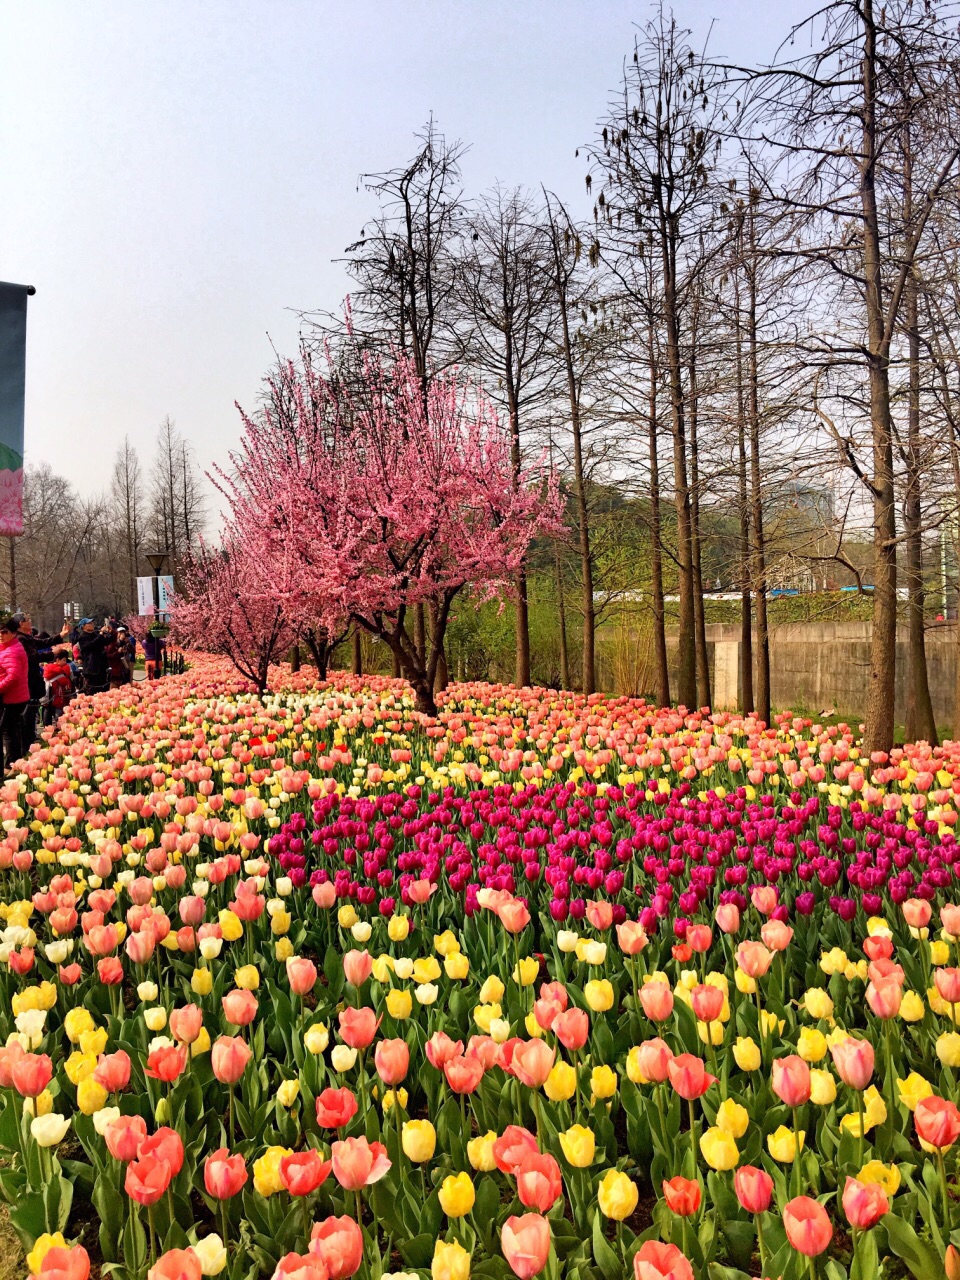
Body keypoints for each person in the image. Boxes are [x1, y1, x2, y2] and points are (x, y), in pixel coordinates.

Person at [0, 617, 29, 771]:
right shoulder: (7, 647)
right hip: (13, 696)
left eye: (4, 632)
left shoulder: (12, 650)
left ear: (13, 633)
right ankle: (13, 763)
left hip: (11, 698)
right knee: (10, 730)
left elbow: (13, 677)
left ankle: (12, 765)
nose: (1, 634)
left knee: (7, 731)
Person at [14, 614, 45, 752]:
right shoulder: (20, 640)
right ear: (21, 623)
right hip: (26, 684)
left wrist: (61, 636)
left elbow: (42, 644)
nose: (30, 621)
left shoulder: (27, 638)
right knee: (26, 718)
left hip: (31, 684)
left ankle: (28, 743)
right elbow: (32, 657)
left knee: (30, 716)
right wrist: (53, 654)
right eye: (28, 620)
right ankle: (25, 747)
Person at [41, 647, 74, 726]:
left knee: (47, 710)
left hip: (47, 693)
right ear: (58, 660)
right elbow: (65, 682)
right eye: (64, 660)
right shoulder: (62, 670)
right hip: (58, 694)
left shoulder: (47, 668)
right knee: (58, 711)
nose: (65, 662)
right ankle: (60, 726)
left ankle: (47, 727)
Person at [77, 618, 109, 694]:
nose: (92, 624)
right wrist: (100, 635)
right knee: (92, 691)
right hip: (91, 669)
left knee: (103, 692)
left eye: (92, 623)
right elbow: (91, 646)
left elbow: (106, 642)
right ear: (83, 626)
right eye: (89, 623)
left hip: (101, 668)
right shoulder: (82, 637)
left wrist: (108, 632)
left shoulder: (96, 634)